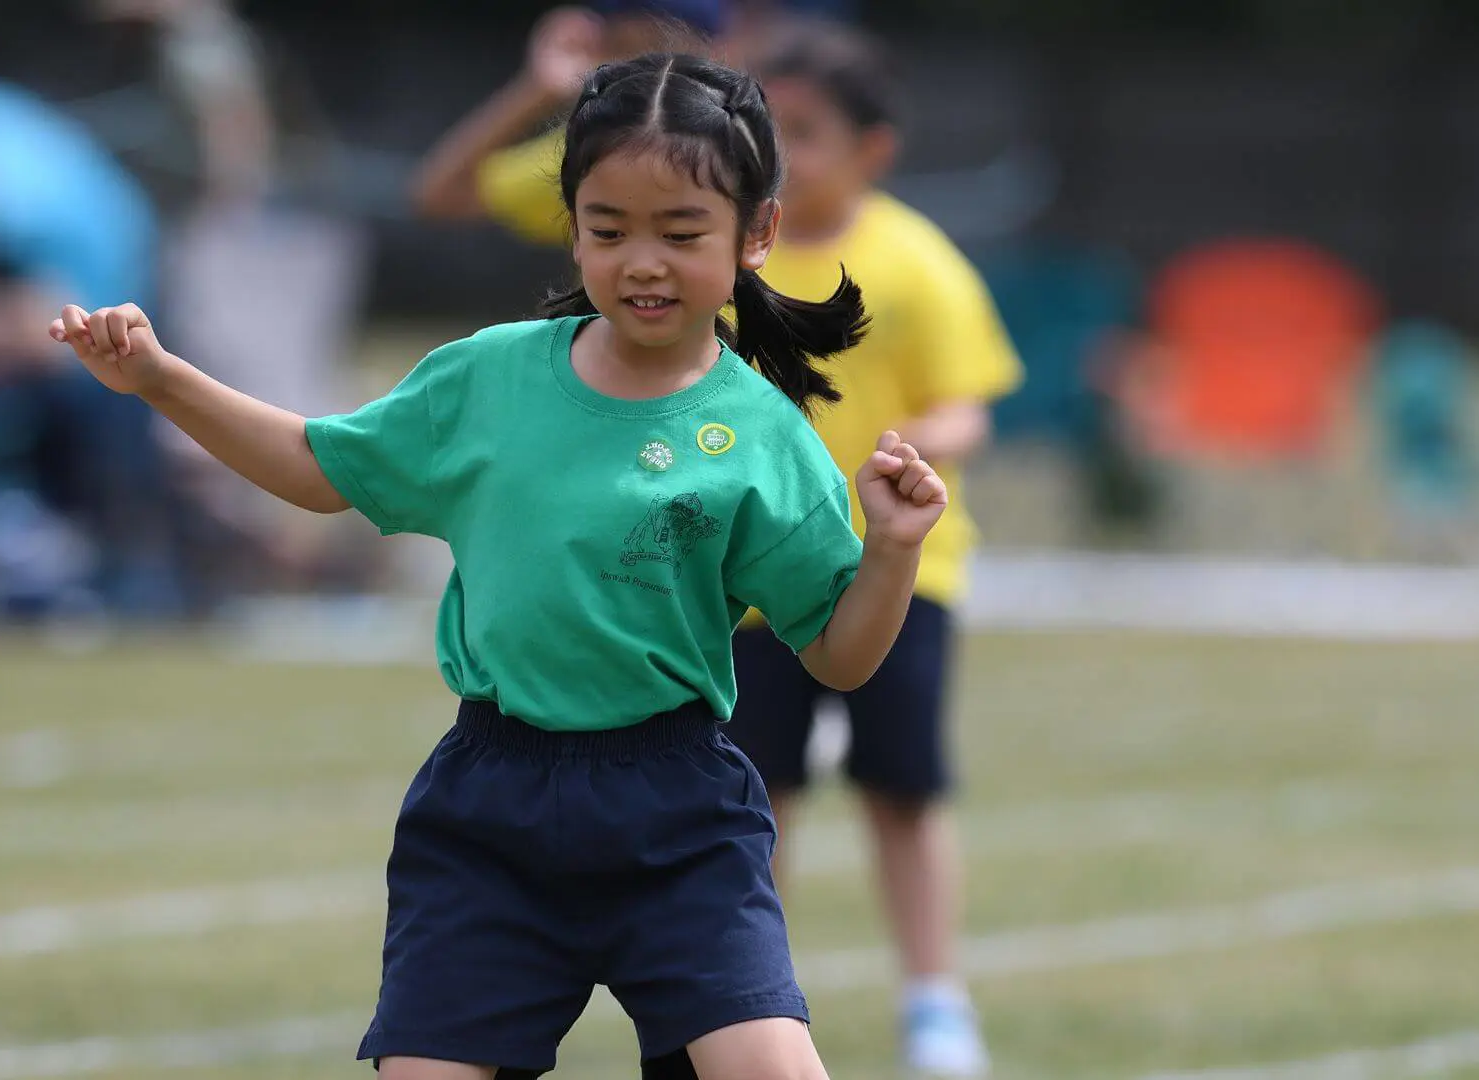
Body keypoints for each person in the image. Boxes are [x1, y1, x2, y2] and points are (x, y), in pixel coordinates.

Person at [48, 51, 946, 1080]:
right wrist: (159, 379)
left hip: (680, 815)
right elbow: (314, 467)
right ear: (571, 227)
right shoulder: (485, 379)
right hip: (491, 810)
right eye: (608, 230)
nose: (641, 260)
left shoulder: (761, 433)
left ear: (757, 235)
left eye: (681, 232)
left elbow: (837, 656)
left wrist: (891, 551)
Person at [717, 20, 1018, 1078]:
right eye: (765, 127)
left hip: (904, 577)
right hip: (750, 592)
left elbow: (969, 407)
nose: (779, 151)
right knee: (751, 800)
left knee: (903, 790)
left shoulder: (913, 260)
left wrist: (917, 446)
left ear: (871, 150)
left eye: (802, 131)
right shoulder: (720, 257)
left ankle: (935, 1000)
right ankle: (755, 995)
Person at [407, 1, 744, 237]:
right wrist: (539, 89)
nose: (646, 73)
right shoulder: (594, 159)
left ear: (716, 55)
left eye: (663, 48)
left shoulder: (761, 150)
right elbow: (440, 194)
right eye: (624, 49)